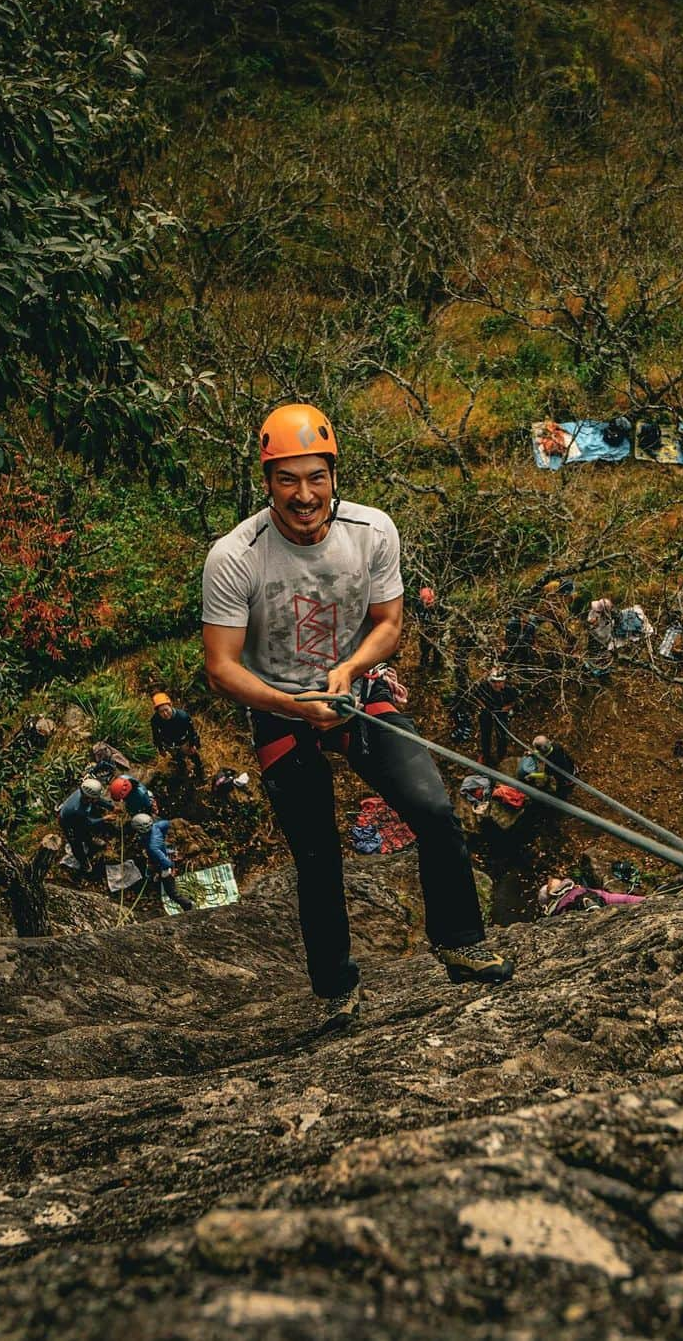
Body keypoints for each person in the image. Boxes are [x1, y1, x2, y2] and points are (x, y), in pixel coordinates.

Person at [201, 402, 513, 1028]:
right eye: (287, 479)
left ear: (333, 475)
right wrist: (294, 703)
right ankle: (337, 987)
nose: (304, 494)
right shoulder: (236, 557)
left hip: (357, 689)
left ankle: (458, 940)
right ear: (267, 484)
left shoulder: (372, 533)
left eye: (315, 477)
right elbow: (222, 665)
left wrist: (346, 673)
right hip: (281, 707)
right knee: (318, 855)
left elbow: (389, 625)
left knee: (433, 808)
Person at [130, 812, 194, 912]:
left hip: (164, 864)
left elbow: (166, 862)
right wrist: (162, 838)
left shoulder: (153, 847)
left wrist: (167, 870)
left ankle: (187, 905)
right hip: (161, 854)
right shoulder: (157, 826)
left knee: (171, 893)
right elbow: (166, 824)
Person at [58, 776, 114, 874]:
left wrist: (112, 807)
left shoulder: (86, 795)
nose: (95, 799)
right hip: (69, 824)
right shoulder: (77, 809)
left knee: (85, 833)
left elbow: (98, 800)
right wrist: (104, 819)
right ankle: (83, 862)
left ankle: (90, 842)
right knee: (76, 843)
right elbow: (88, 823)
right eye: (93, 798)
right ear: (88, 797)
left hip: (80, 820)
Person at [150, 692, 204, 779]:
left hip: (184, 741)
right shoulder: (155, 720)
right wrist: (160, 748)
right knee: (178, 759)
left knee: (194, 756)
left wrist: (192, 744)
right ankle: (182, 770)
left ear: (171, 706)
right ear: (157, 712)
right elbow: (155, 735)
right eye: (161, 712)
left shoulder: (182, 716)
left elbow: (191, 731)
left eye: (166, 710)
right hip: (170, 744)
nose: (165, 714)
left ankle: (200, 771)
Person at [474, 667, 518, 766]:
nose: (497, 684)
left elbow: (514, 701)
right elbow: (477, 696)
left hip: (501, 712)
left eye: (499, 682)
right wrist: (484, 707)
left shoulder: (509, 689)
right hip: (487, 711)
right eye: (494, 682)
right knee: (485, 734)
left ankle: (501, 756)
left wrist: (507, 707)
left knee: (502, 734)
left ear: (504, 681)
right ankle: (485, 755)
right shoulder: (484, 686)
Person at [517, 734, 576, 799]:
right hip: (570, 765)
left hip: (567, 778)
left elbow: (544, 775)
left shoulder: (550, 764)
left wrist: (531, 775)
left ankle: (561, 799)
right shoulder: (556, 746)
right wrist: (533, 753)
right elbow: (545, 750)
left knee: (561, 791)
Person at [414, 586, 442, 672]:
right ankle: (423, 665)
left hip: (437, 630)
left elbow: (444, 620)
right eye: (426, 600)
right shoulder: (419, 605)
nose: (429, 603)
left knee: (437, 650)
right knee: (424, 649)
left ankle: (436, 667)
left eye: (430, 600)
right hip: (425, 630)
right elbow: (417, 617)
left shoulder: (439, 607)